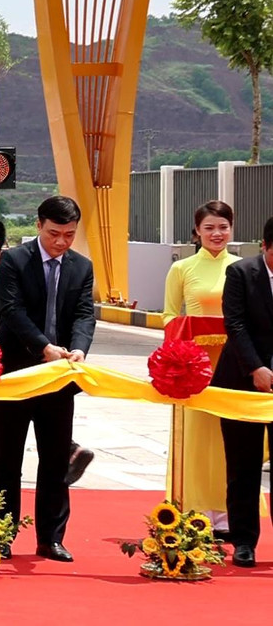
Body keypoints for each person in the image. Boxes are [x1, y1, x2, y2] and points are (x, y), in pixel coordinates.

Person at [0, 196, 95, 563]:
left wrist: (78, 350)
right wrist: (43, 346)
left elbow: (83, 315)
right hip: (16, 373)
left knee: (54, 460)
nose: (61, 242)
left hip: (59, 376)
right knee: (6, 459)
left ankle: (51, 537)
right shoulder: (15, 261)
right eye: (54, 234)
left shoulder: (82, 267)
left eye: (68, 235)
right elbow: (11, 311)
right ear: (38, 225)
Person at [163, 201, 240, 532]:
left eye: (222, 227)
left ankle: (227, 512)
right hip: (194, 367)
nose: (216, 234)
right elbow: (168, 316)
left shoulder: (241, 268)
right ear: (196, 231)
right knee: (194, 438)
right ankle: (191, 509)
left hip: (233, 363)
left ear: (231, 229)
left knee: (231, 438)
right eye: (209, 228)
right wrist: (186, 340)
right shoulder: (182, 269)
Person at [214, 214, 273, 568]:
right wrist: (256, 368)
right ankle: (244, 541)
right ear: (265, 246)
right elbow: (234, 324)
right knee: (243, 466)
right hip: (241, 381)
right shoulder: (241, 274)